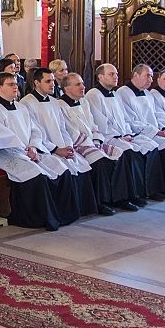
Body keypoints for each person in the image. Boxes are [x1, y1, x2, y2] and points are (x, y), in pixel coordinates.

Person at [0, 72, 73, 231]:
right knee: (38, 176)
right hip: (7, 154)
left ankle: (62, 215)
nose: (15, 87)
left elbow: (35, 130)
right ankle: (42, 219)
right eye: (10, 84)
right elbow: (2, 137)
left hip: (29, 151)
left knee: (62, 169)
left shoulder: (21, 107)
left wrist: (33, 146)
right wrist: (25, 151)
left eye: (16, 84)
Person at [19, 69, 100, 217]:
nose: (53, 84)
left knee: (82, 166)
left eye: (53, 80)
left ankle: (83, 210)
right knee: (64, 171)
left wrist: (68, 146)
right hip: (45, 150)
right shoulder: (27, 103)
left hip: (61, 147)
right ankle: (65, 214)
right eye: (48, 81)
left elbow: (63, 129)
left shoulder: (54, 102)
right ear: (37, 83)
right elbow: (35, 132)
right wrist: (56, 149)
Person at [56, 73, 139, 213]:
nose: (83, 87)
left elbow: (93, 125)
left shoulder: (84, 102)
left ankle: (122, 198)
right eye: (78, 84)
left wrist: (96, 140)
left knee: (120, 154)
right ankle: (101, 202)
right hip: (78, 145)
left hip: (93, 142)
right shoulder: (60, 106)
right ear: (67, 88)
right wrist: (90, 143)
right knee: (100, 161)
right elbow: (70, 131)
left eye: (82, 83)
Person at [86, 63, 165, 203]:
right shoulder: (94, 95)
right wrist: (120, 136)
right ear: (100, 77)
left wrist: (128, 133)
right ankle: (127, 197)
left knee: (151, 146)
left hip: (124, 135)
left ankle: (150, 190)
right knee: (130, 153)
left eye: (116, 74)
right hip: (108, 137)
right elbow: (100, 122)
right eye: (111, 74)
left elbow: (124, 118)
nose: (115, 77)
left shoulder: (115, 94)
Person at [115, 64, 165, 196]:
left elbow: (157, 115)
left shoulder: (147, 93)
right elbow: (130, 120)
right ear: (136, 75)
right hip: (139, 133)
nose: (151, 80)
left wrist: (164, 128)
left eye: (152, 77)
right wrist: (155, 132)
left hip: (155, 131)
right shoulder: (123, 93)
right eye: (148, 76)